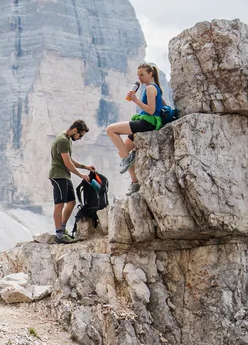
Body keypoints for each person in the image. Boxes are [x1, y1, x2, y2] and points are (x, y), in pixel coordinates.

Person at [105, 63, 167, 194]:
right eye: (138, 75)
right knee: (123, 150)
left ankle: (128, 159)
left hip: (147, 123)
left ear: (150, 74)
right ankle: (135, 182)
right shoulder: (154, 88)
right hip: (146, 122)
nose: (140, 78)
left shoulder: (150, 88)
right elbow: (162, 104)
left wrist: (135, 100)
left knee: (110, 129)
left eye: (142, 75)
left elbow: (151, 111)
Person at [49, 119, 94, 243]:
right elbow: (67, 163)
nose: (79, 138)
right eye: (80, 135)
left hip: (64, 175)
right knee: (59, 204)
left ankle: (62, 229)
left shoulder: (66, 138)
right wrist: (81, 175)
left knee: (71, 202)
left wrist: (85, 167)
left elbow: (69, 159)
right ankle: (59, 234)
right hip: (58, 175)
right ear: (75, 130)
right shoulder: (63, 140)